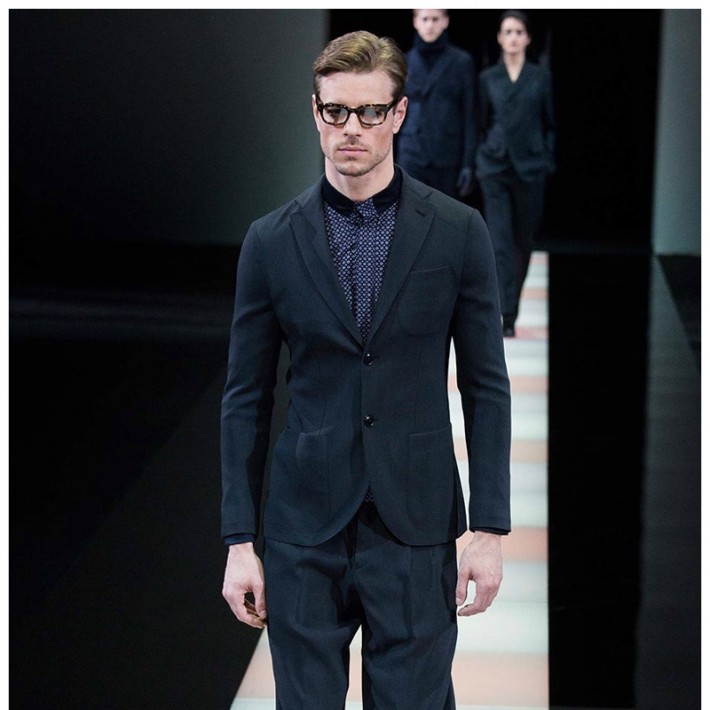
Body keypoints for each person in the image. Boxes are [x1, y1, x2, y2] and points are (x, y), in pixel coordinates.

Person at [221, 30, 511, 709]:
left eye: (370, 111)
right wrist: (238, 539)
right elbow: (244, 397)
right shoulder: (270, 241)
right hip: (303, 528)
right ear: (315, 111)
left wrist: (490, 529)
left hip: (415, 523)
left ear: (399, 113)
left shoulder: (457, 232)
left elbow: (486, 386)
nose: (352, 128)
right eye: (336, 111)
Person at [476, 10, 555, 337]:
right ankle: (506, 314)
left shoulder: (539, 77)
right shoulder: (488, 78)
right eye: (507, 32)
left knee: (523, 241)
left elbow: (549, 122)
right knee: (499, 242)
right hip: (495, 167)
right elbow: (481, 122)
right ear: (499, 37)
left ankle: (513, 307)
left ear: (527, 38)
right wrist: (483, 156)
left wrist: (546, 159)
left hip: (530, 169)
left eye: (518, 32)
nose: (512, 38)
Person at [396, 9, 476, 200]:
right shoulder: (404, 62)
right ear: (415, 22)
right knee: (410, 211)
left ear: (445, 21)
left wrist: (468, 164)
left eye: (435, 19)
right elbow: (394, 113)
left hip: (447, 156)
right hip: (411, 152)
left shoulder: (461, 62)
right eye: (425, 19)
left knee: (443, 214)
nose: (430, 25)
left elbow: (470, 116)